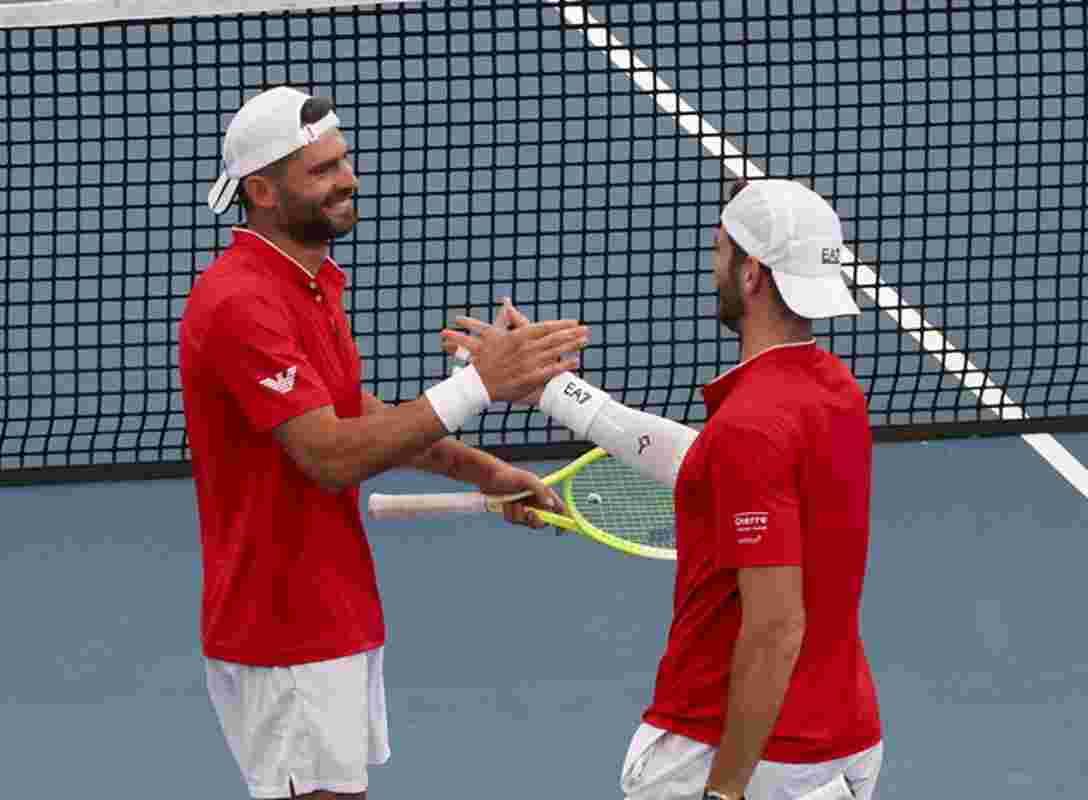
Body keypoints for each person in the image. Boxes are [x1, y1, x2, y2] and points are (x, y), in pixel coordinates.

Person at [180, 85, 589, 800]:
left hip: (329, 607)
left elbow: (351, 412)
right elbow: (330, 455)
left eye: (344, 160)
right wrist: (477, 387)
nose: (349, 179)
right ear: (261, 191)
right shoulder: (241, 301)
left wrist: (483, 470)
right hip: (283, 626)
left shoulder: (308, 280)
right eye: (323, 170)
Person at [444, 179, 884, 800]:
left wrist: (724, 791)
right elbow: (706, 465)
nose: (714, 265)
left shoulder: (752, 426)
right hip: (843, 739)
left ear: (752, 274)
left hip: (732, 752)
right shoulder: (832, 390)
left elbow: (777, 624)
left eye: (721, 251)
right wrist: (554, 392)